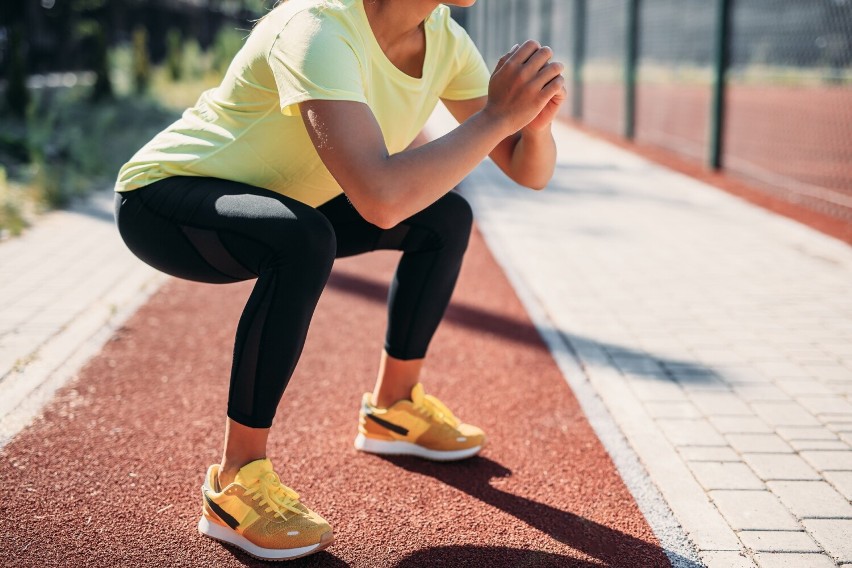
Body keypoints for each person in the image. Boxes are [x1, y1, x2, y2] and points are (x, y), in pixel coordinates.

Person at [114, 0, 564, 561]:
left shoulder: (443, 40)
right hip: (166, 198)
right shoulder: (318, 28)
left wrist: (532, 123)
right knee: (303, 239)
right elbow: (379, 198)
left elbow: (530, 169)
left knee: (444, 220)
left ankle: (394, 409)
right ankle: (236, 482)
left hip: (289, 202)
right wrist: (495, 117)